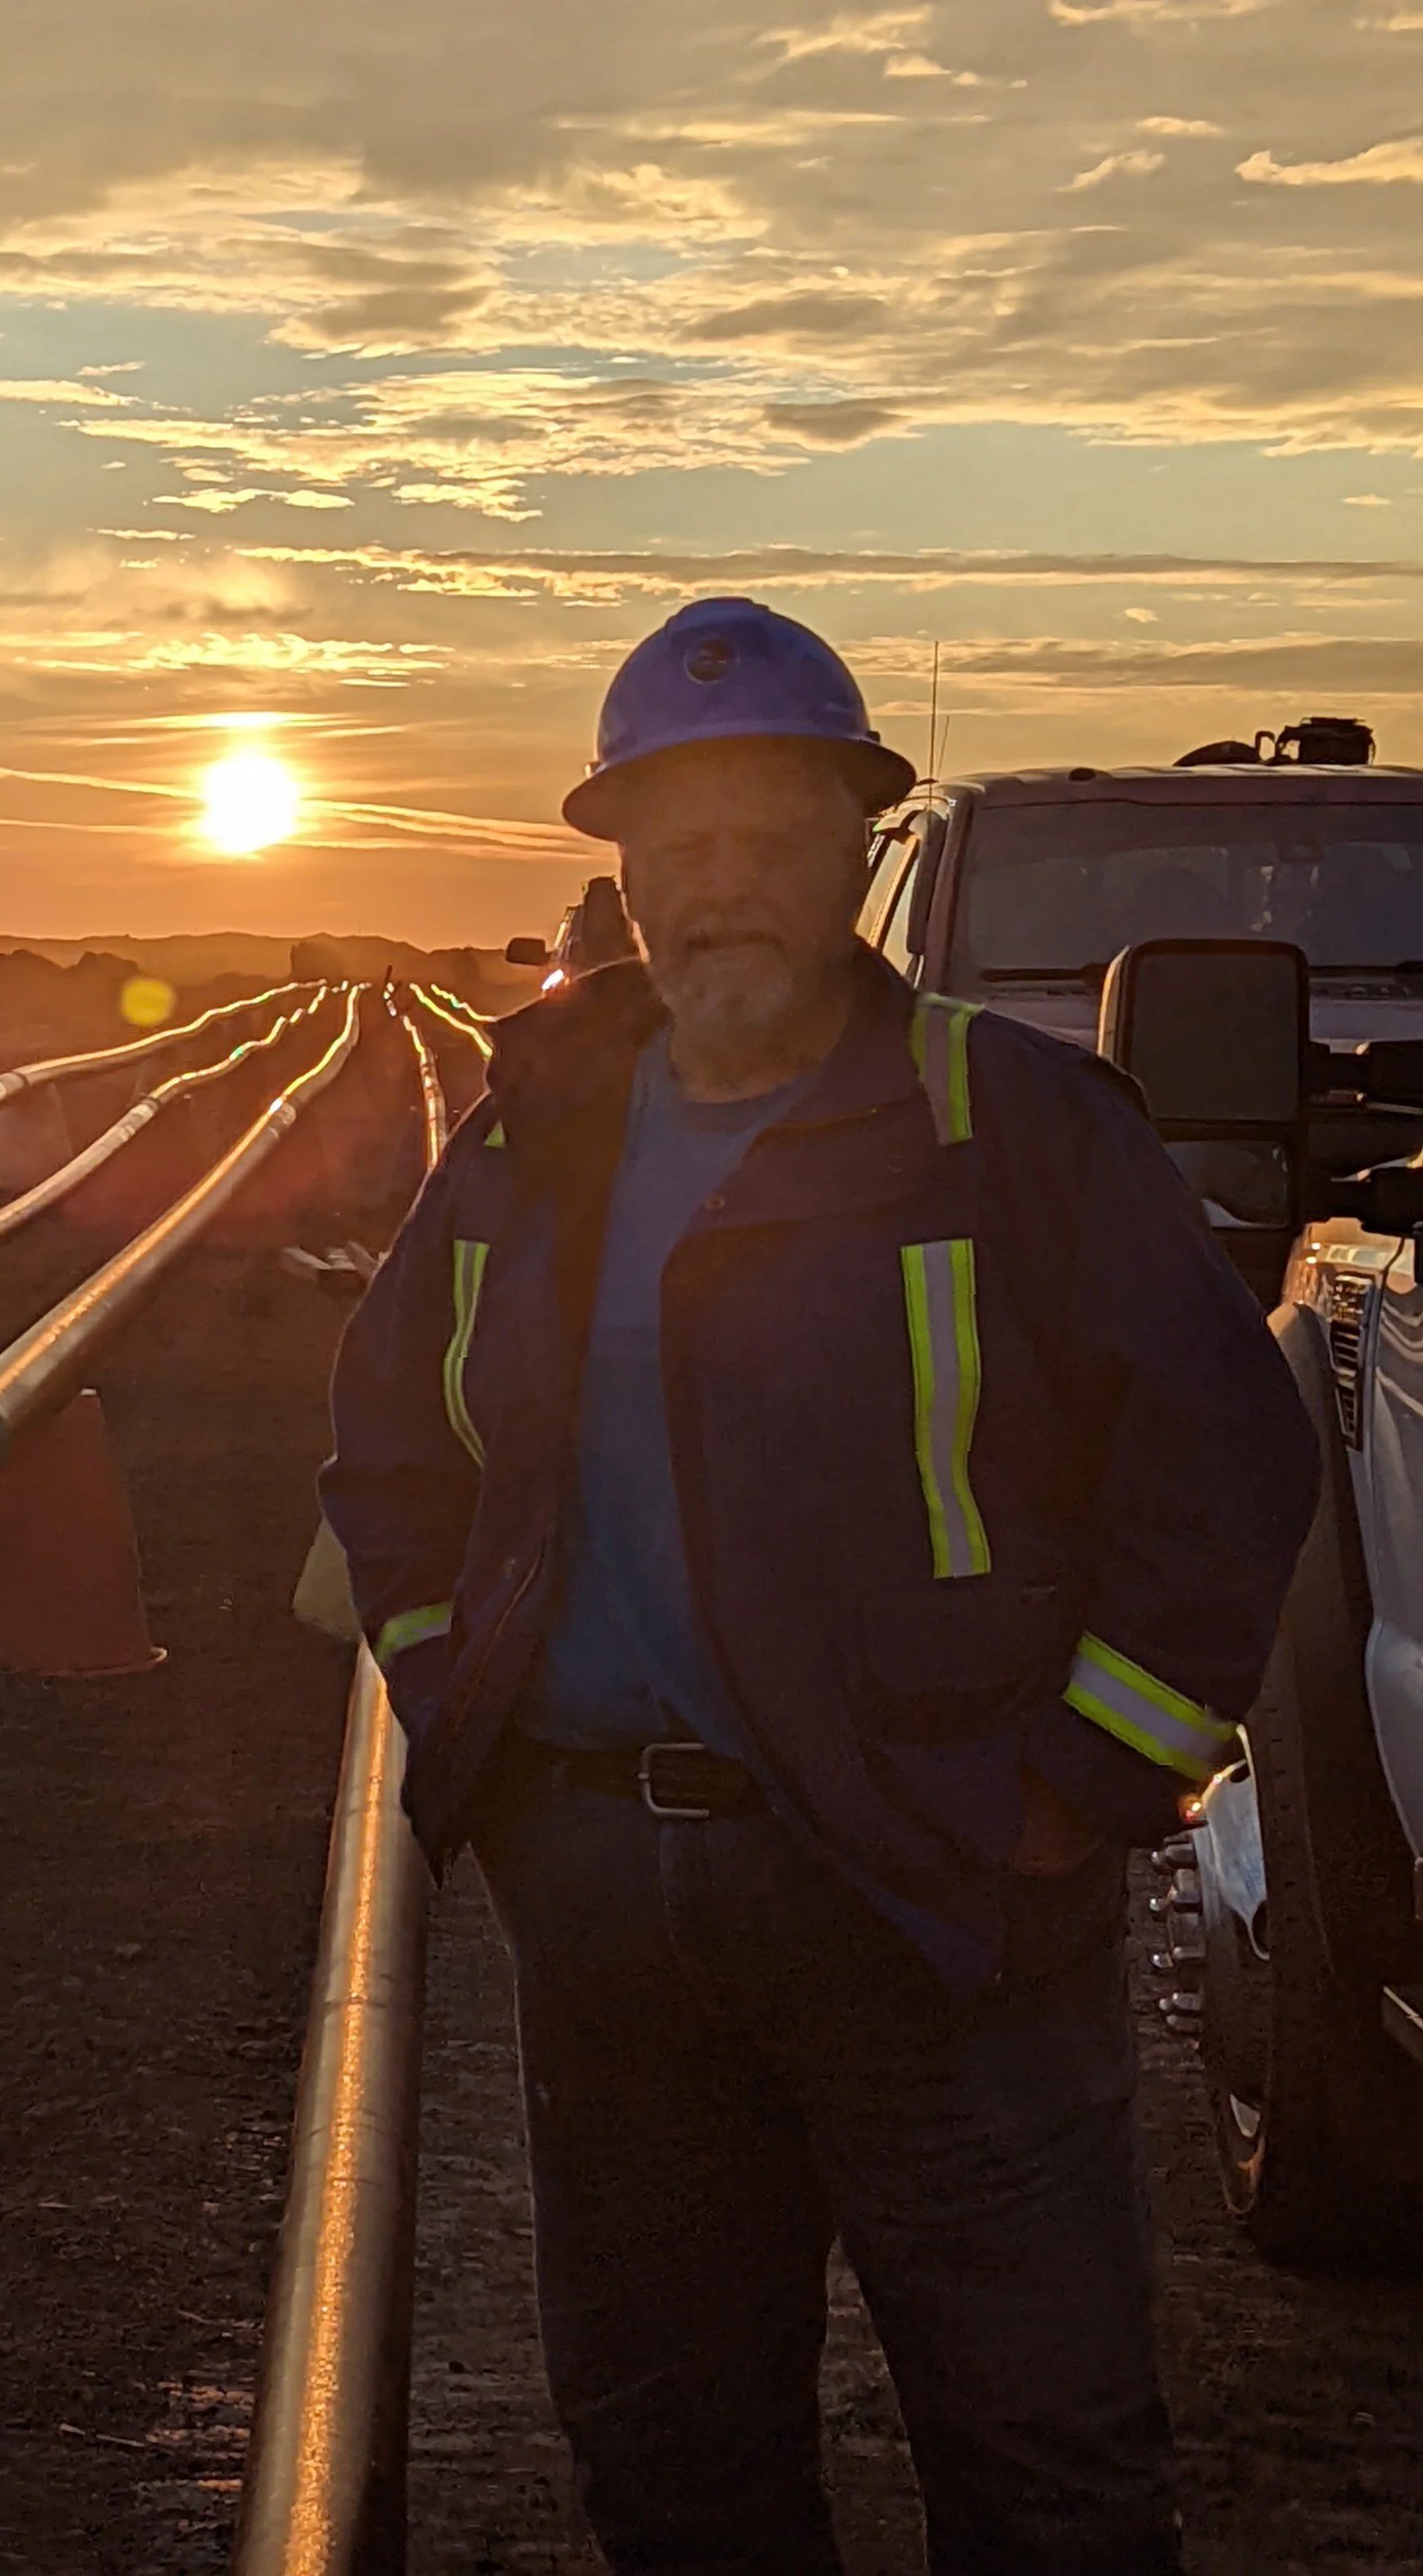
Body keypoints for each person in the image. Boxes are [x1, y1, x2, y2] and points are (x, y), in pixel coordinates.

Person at [320, 597, 1319, 2574]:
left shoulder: (1008, 1124)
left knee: (1042, 2470)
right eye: (670, 846)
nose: (717, 886)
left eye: (766, 835)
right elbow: (390, 1452)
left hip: (941, 1905)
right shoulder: (531, 1143)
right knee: (671, 2465)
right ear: (616, 879)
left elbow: (1219, 1464)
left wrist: (1070, 1793)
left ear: (855, 851)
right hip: (614, 1914)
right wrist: (477, 1732)